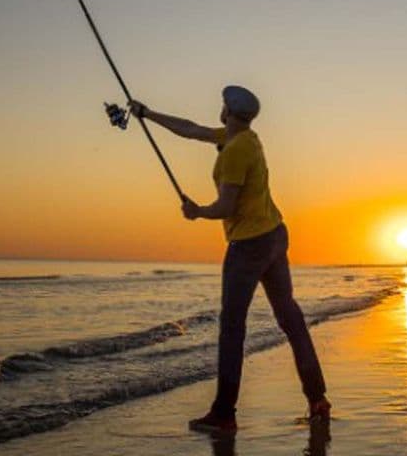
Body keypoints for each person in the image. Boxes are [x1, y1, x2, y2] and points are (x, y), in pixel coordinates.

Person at [128, 86, 329, 434]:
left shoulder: (236, 150)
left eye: (222, 105)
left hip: (249, 246)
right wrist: (147, 113)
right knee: (290, 319)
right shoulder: (245, 137)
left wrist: (197, 212)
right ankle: (318, 399)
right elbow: (191, 129)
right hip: (275, 236)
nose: (219, 109)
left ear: (228, 111)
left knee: (232, 329)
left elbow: (227, 207)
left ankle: (224, 413)